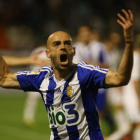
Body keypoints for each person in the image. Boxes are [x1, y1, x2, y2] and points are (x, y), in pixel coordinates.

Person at [0, 10, 134, 140]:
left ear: (73, 51)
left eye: (67, 44)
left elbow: (120, 78)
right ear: (47, 53)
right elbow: (5, 79)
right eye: (57, 44)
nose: (63, 47)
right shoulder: (41, 77)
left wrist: (128, 43)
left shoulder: (86, 73)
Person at [23, 46, 51, 126]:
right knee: (33, 100)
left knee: (33, 101)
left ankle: (28, 118)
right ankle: (28, 118)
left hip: (41, 78)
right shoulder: (40, 51)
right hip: (37, 78)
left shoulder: (38, 50)